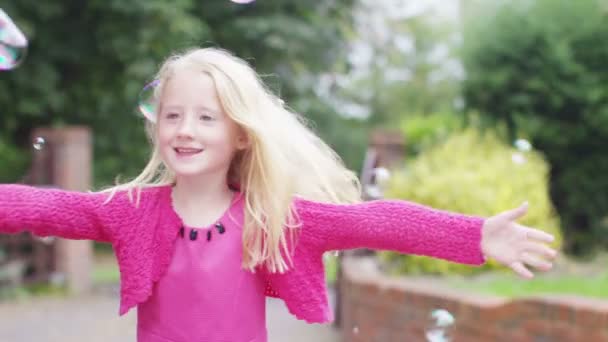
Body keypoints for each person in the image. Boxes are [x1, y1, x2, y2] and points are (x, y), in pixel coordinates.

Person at [0, 47, 557, 342]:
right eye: (172, 115)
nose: (185, 129)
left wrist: (475, 234)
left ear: (241, 132)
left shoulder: (275, 219)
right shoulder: (130, 212)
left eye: (205, 117)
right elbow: (42, 208)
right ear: (157, 128)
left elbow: (376, 221)